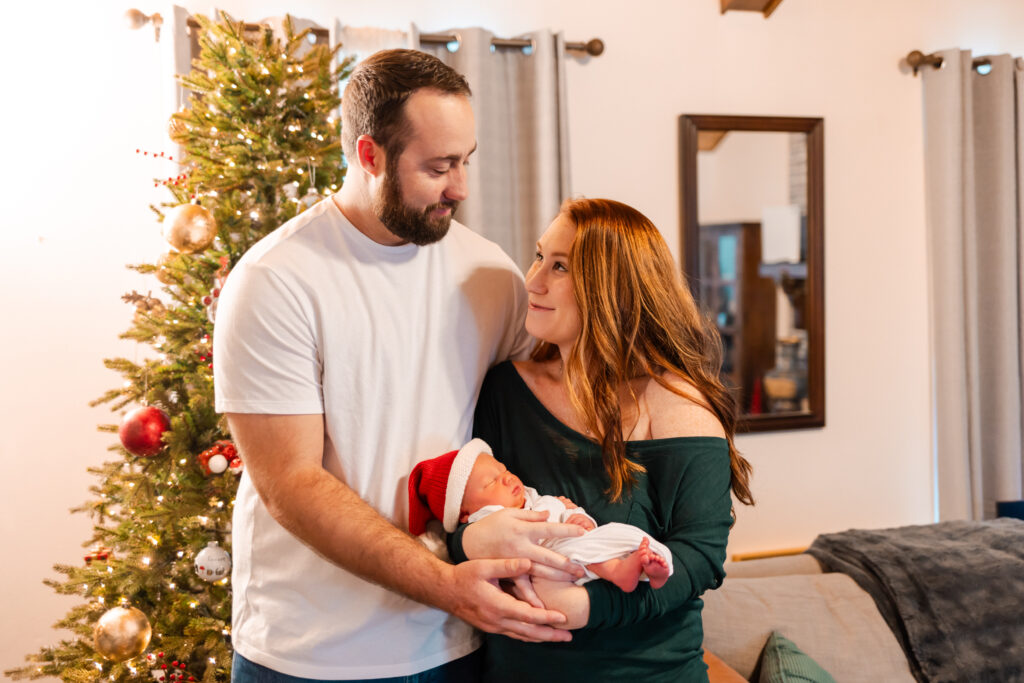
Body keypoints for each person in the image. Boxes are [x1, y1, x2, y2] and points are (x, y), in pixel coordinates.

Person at [213, 49, 584, 682]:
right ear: (369, 155)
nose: (461, 187)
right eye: (438, 167)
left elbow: (553, 398)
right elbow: (291, 485)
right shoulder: (276, 280)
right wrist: (446, 586)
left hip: (455, 641)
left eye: (466, 161)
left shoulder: (489, 275)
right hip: (310, 652)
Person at [448, 197, 756, 682]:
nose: (533, 281)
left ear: (613, 289)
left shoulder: (679, 408)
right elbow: (463, 508)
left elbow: (700, 557)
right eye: (538, 256)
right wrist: (470, 540)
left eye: (561, 267)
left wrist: (588, 606)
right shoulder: (504, 391)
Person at [409, 438, 672, 593]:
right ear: (467, 513)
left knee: (622, 532)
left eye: (503, 470)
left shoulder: (537, 499)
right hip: (554, 567)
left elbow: (577, 516)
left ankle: (654, 568)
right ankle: (618, 571)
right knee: (580, 551)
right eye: (491, 483)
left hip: (580, 542)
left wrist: (580, 518)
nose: (507, 478)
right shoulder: (489, 520)